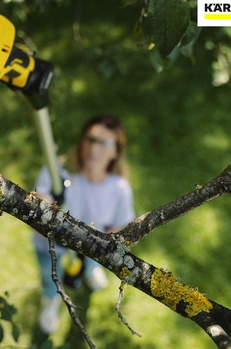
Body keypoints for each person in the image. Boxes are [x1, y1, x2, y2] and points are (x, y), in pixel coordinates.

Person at [33, 115, 135, 335]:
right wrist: (45, 203)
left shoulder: (119, 189)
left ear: (116, 151)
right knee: (51, 277)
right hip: (50, 246)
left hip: (90, 249)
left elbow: (118, 226)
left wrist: (106, 244)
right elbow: (39, 200)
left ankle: (91, 272)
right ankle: (51, 302)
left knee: (90, 264)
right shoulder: (57, 171)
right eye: (90, 139)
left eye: (103, 143)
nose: (93, 148)